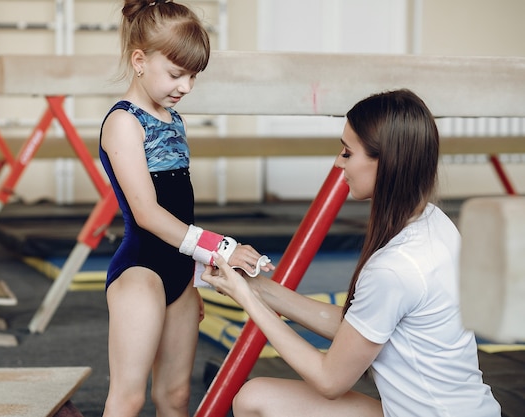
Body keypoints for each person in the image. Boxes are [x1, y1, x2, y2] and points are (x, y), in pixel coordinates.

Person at [202, 89, 501, 417]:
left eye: (347, 153)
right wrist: (259, 287)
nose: (338, 162)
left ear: (385, 162)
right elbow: (358, 327)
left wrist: (246, 300)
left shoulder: (395, 267)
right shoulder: (433, 220)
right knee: (255, 397)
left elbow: (329, 380)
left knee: (257, 399)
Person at [98, 1, 274, 416]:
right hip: (140, 272)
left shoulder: (174, 119)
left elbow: (182, 210)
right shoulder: (124, 122)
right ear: (139, 61)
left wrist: (193, 273)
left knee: (175, 397)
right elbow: (147, 214)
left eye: (193, 75)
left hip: (179, 272)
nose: (186, 86)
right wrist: (219, 248)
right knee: (130, 396)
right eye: (177, 74)